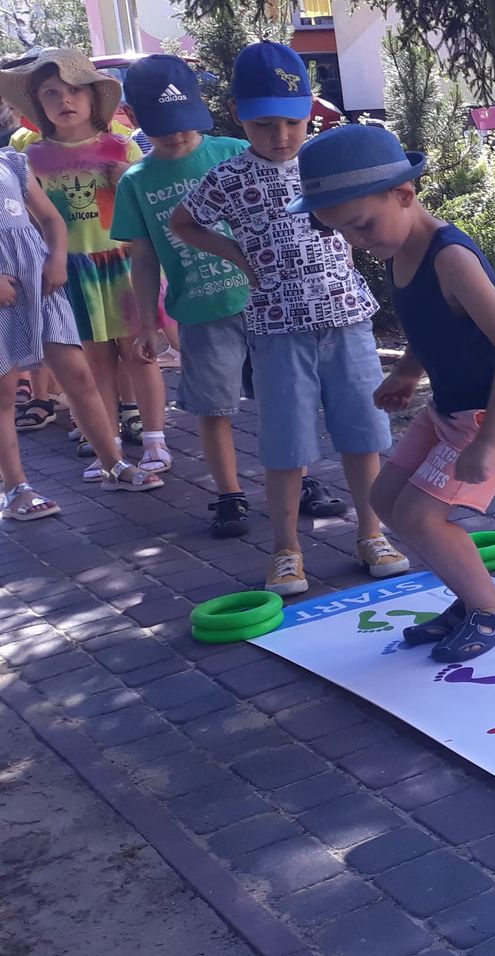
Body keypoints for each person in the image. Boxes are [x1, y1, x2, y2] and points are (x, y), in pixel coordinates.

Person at [292, 122, 495, 662]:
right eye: (340, 232)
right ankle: (469, 597)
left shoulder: (450, 258)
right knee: (385, 500)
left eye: (361, 225)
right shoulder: (397, 248)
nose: (354, 242)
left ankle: (491, 611)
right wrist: (408, 372)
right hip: (452, 405)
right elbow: (433, 326)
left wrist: (489, 441)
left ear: (404, 194)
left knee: (420, 516)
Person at [170, 41, 407, 596]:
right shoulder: (228, 178)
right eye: (264, 124)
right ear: (237, 115)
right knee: (286, 444)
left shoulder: (328, 161)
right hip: (276, 331)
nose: (280, 136)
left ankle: (372, 534)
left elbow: (381, 208)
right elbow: (184, 222)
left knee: (362, 434)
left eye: (292, 122)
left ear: (310, 111)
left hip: (346, 319)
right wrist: (237, 256)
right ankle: (285, 550)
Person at [0, 49, 170, 482]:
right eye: (51, 93)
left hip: (122, 266)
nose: (65, 100)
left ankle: (155, 439)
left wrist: (125, 174)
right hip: (69, 272)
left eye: (75, 90)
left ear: (94, 98)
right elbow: (34, 218)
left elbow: (146, 202)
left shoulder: (120, 145)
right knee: (95, 363)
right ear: (37, 103)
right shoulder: (32, 156)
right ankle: (107, 446)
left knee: (140, 354)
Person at [112, 54, 259, 536]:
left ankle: (297, 483)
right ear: (133, 117)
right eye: (162, 125)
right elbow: (143, 257)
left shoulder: (236, 151)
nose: (176, 135)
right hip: (199, 314)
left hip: (265, 305)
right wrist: (147, 323)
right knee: (214, 409)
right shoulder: (136, 181)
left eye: (183, 121)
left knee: (282, 401)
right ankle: (229, 495)